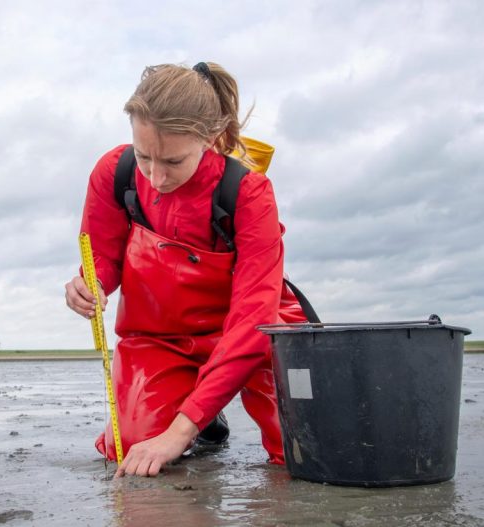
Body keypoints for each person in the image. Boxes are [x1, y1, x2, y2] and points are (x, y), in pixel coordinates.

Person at [64, 61, 311, 478]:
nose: (156, 178)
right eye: (144, 157)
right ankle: (206, 421)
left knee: (306, 450)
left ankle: (196, 413)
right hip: (161, 337)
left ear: (211, 140)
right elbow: (103, 255)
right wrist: (92, 284)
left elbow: (253, 321)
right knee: (130, 448)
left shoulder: (249, 194)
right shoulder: (115, 172)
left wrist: (179, 432)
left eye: (174, 162)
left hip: (256, 332)